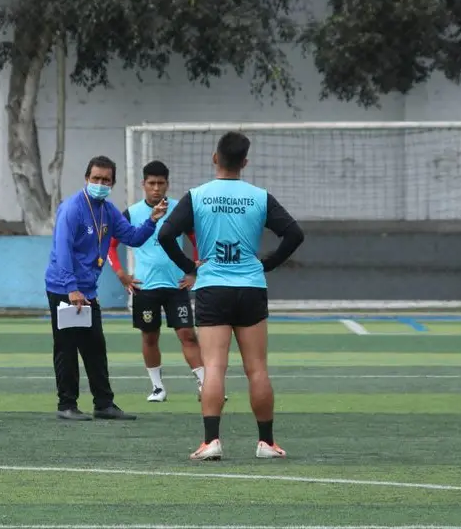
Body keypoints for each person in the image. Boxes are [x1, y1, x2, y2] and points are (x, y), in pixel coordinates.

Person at [158, 131, 304, 461]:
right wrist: (267, 264)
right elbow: (294, 233)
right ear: (245, 163)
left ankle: (211, 442)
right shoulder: (259, 196)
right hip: (251, 287)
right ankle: (267, 443)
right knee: (257, 369)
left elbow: (166, 233)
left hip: (212, 287)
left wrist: (189, 266)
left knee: (214, 368)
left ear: (215, 158)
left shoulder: (197, 196)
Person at [45, 155, 168, 421]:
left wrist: (153, 220)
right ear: (87, 179)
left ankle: (104, 404)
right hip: (64, 288)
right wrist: (71, 288)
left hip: (87, 290)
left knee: (95, 346)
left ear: (112, 183)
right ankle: (66, 405)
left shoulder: (108, 210)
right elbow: (63, 250)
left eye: (106, 180)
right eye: (96, 178)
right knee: (67, 347)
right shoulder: (72, 208)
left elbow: (132, 238)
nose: (100, 183)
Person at [107, 160, 208, 403]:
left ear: (167, 184)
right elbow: (110, 245)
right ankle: (157, 388)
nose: (156, 188)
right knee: (149, 337)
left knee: (187, 334)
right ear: (143, 184)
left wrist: (194, 272)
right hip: (145, 287)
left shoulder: (180, 209)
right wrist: (121, 273)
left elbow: (199, 240)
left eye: (160, 183)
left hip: (176, 286)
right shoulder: (131, 213)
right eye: (151, 183)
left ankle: (206, 385)